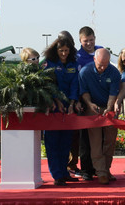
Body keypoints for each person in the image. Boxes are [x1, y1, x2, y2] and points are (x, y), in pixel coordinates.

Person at [79, 48, 121, 185]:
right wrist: (89, 104)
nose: (103, 67)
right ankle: (101, 172)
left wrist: (109, 108)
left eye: (106, 64)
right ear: (94, 60)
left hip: (108, 106)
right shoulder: (85, 71)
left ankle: (106, 169)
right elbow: (84, 92)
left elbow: (113, 94)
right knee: (95, 141)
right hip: (92, 108)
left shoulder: (114, 72)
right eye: (100, 64)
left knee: (110, 140)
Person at [43, 36, 81, 186]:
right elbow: (48, 84)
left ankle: (65, 173)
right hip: (53, 108)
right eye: (61, 51)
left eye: (66, 50)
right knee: (53, 143)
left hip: (68, 108)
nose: (64, 53)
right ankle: (57, 175)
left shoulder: (73, 64)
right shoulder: (49, 64)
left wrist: (72, 103)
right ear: (56, 50)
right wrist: (56, 100)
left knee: (66, 142)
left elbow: (75, 85)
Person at [71, 26, 102, 181]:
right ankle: (86, 170)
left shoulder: (101, 52)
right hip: (83, 102)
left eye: (91, 40)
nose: (89, 43)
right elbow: (75, 82)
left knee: (99, 137)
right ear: (80, 40)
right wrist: (77, 100)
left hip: (100, 101)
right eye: (85, 41)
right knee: (85, 138)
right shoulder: (76, 57)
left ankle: (99, 168)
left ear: (95, 38)